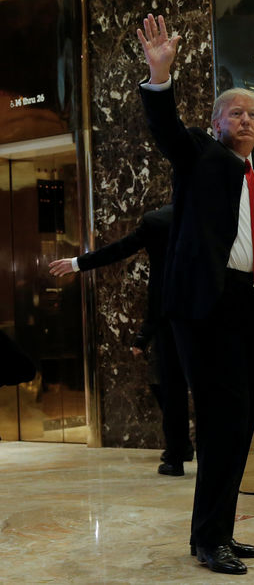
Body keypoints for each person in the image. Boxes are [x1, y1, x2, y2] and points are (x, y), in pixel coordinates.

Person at [137, 13, 254, 576]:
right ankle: (211, 539)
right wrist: (160, 75)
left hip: (253, 309)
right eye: (236, 112)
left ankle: (218, 533)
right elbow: (165, 130)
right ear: (216, 123)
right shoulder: (202, 158)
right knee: (218, 424)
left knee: (237, 428)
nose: (247, 119)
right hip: (207, 310)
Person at [49, 204, 193, 476]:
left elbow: (120, 249)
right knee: (192, 389)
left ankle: (177, 454)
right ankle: (189, 452)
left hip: (172, 317)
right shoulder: (215, 212)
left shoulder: (159, 219)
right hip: (203, 316)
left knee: (172, 390)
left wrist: (77, 263)